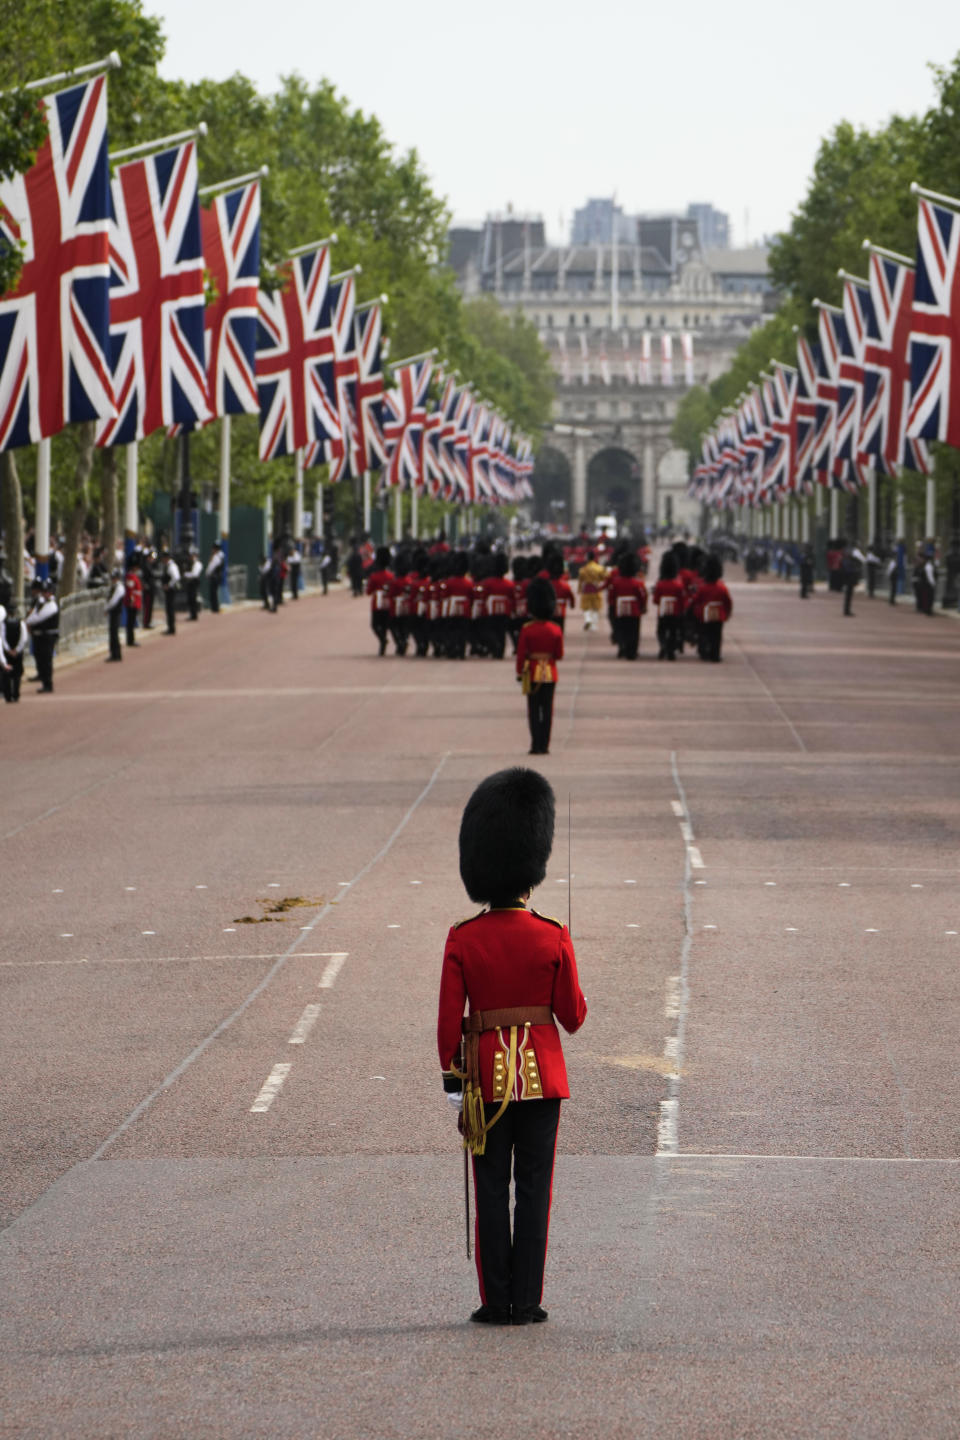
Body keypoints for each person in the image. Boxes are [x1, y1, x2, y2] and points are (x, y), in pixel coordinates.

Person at [437, 767, 587, 1326]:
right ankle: (527, 1300)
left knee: (490, 1188)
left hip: (482, 1081)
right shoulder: (553, 935)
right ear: (531, 869)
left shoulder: (463, 938)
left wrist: (455, 1087)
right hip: (542, 1078)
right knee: (534, 1190)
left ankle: (493, 1301)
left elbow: (449, 1024)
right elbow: (572, 1018)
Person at [516, 577, 563, 755]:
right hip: (550, 672)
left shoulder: (527, 629)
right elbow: (559, 655)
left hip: (532, 672)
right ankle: (545, 744)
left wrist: (520, 672)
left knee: (534, 710)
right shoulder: (555, 629)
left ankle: (535, 745)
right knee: (548, 709)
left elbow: (521, 654)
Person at [692, 554, 733, 661]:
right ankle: (715, 654)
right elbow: (727, 601)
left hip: (705, 612)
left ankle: (704, 651)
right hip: (718, 613)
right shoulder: (722, 587)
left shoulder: (703, 587)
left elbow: (696, 600)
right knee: (717, 635)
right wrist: (728, 612)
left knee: (704, 633)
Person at [607, 551, 647, 660]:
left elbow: (611, 597)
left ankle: (622, 648)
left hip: (620, 609)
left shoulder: (616, 582)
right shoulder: (638, 583)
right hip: (634, 610)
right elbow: (642, 597)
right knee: (634, 631)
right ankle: (632, 651)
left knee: (621, 629)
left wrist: (612, 607)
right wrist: (643, 607)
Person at [26, 579, 59, 692]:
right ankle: (43, 678)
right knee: (39, 658)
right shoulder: (41, 603)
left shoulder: (52, 605)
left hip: (47, 636)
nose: (45, 594)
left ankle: (48, 684)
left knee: (46, 660)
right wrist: (28, 621)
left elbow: (37, 618)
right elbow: (32, 615)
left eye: (47, 592)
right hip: (38, 636)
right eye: (44, 591)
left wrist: (29, 622)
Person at [652, 551, 685, 660]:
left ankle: (663, 646)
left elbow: (656, 600)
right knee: (673, 631)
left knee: (661, 630)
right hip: (675, 611)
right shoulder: (678, 585)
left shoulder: (660, 584)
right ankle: (671, 650)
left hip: (662, 611)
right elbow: (681, 600)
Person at [366, 545, 394, 655]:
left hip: (377, 604)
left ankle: (382, 640)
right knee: (385, 625)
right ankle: (383, 641)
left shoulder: (374, 576)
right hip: (388, 603)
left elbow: (368, 591)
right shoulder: (391, 576)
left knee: (375, 625)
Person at [0, 603, 27, 702]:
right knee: (17, 675)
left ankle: (8, 695)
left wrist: (8, 649)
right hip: (17, 653)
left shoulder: (4, 623)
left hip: (7, 653)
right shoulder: (20, 623)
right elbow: (23, 638)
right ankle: (16, 694)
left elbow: (2, 638)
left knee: (6, 674)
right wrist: (17, 649)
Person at [576, 550, 607, 631]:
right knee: (596, 607)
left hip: (586, 589)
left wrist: (579, 590)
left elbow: (580, 581)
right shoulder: (599, 568)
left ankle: (588, 620)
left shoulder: (583, 569)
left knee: (586, 607)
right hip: (596, 589)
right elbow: (605, 577)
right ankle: (593, 624)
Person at [105, 567, 125, 661]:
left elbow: (114, 601)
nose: (113, 579)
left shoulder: (119, 588)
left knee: (114, 633)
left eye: (114, 578)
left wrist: (107, 608)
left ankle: (116, 654)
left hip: (116, 612)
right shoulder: (114, 587)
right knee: (112, 632)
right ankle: (113, 653)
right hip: (113, 612)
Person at [160, 549, 180, 634]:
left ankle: (171, 628)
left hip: (171, 590)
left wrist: (169, 585)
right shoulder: (168, 565)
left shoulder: (171, 566)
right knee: (169, 609)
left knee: (170, 609)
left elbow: (176, 577)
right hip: (169, 590)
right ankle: (170, 627)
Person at [841, 542, 864, 617]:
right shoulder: (850, 557)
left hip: (848, 577)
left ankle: (847, 609)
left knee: (848, 594)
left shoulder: (847, 557)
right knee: (849, 594)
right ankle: (847, 610)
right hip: (850, 577)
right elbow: (862, 560)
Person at [124, 562, 142, 647]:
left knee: (131, 621)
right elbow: (130, 589)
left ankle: (131, 639)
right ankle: (130, 640)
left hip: (135, 601)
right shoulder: (130, 577)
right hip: (132, 602)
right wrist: (131, 600)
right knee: (130, 622)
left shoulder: (132, 576)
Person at [206, 544, 225, 613]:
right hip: (217, 576)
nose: (212, 550)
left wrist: (207, 573)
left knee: (213, 592)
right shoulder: (220, 556)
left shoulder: (216, 557)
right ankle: (215, 607)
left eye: (213, 549)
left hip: (214, 577)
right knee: (214, 592)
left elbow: (211, 567)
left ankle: (215, 608)